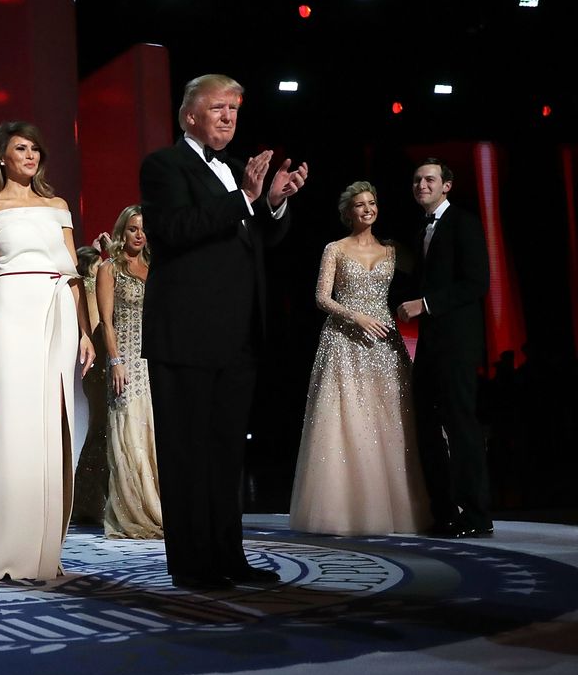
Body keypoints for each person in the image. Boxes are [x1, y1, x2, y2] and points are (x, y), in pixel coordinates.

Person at [139, 74, 308, 590]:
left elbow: (260, 238)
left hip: (237, 334)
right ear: (190, 115)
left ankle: (228, 556)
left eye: (235, 108)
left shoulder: (237, 171)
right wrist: (245, 199)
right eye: (219, 108)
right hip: (186, 333)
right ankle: (192, 564)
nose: (230, 117)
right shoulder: (164, 165)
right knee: (187, 451)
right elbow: (176, 231)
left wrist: (273, 201)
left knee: (226, 452)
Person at [0, 121, 96, 582]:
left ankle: (41, 548)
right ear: (2, 157)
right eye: (21, 148)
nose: (31, 156)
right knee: (13, 426)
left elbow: (74, 273)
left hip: (58, 311)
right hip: (11, 314)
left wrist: (86, 332)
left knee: (51, 428)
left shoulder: (57, 206)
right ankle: (0, 548)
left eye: (36, 148)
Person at [289, 182, 430, 535]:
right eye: (359, 205)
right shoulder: (334, 249)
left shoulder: (393, 251)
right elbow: (322, 298)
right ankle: (345, 511)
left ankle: (394, 510)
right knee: (346, 420)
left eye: (372, 203)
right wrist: (356, 316)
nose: (367, 209)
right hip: (344, 343)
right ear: (347, 212)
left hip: (384, 344)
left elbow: (431, 274)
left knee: (389, 422)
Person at [397, 159, 492, 538]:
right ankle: (444, 512)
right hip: (429, 348)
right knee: (427, 428)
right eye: (417, 179)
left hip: (457, 345)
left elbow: (477, 282)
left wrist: (426, 303)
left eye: (430, 179)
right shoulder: (420, 228)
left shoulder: (463, 223)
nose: (422, 185)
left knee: (461, 426)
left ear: (446, 186)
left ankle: (476, 515)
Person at [97, 205, 163, 539]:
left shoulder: (154, 266)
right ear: (122, 231)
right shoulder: (109, 269)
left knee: (154, 433)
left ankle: (161, 504)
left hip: (155, 360)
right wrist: (115, 361)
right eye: (133, 229)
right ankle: (136, 509)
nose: (139, 235)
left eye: (144, 230)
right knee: (130, 432)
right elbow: (106, 321)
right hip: (126, 360)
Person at [71, 240, 111, 524]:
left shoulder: (83, 294)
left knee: (99, 429)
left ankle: (88, 500)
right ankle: (90, 500)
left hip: (95, 370)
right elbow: (100, 328)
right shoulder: (90, 293)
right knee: (101, 430)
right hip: (99, 368)